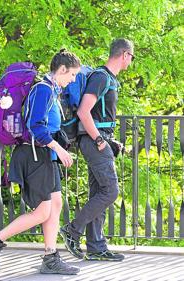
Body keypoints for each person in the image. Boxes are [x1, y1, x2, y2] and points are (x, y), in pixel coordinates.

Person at [0, 49, 81, 275]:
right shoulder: (43, 89)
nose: (73, 80)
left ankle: (50, 256)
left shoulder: (50, 90)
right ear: (62, 70)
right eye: (72, 75)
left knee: (55, 204)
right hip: (34, 155)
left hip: (44, 155)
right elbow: (36, 127)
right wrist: (59, 149)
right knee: (43, 211)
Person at [60, 38, 134, 261]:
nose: (131, 61)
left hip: (98, 140)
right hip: (94, 142)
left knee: (98, 192)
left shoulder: (107, 78)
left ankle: (96, 246)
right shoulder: (101, 77)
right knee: (110, 191)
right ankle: (72, 230)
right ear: (124, 55)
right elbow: (84, 111)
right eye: (131, 57)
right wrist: (101, 141)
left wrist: (108, 140)